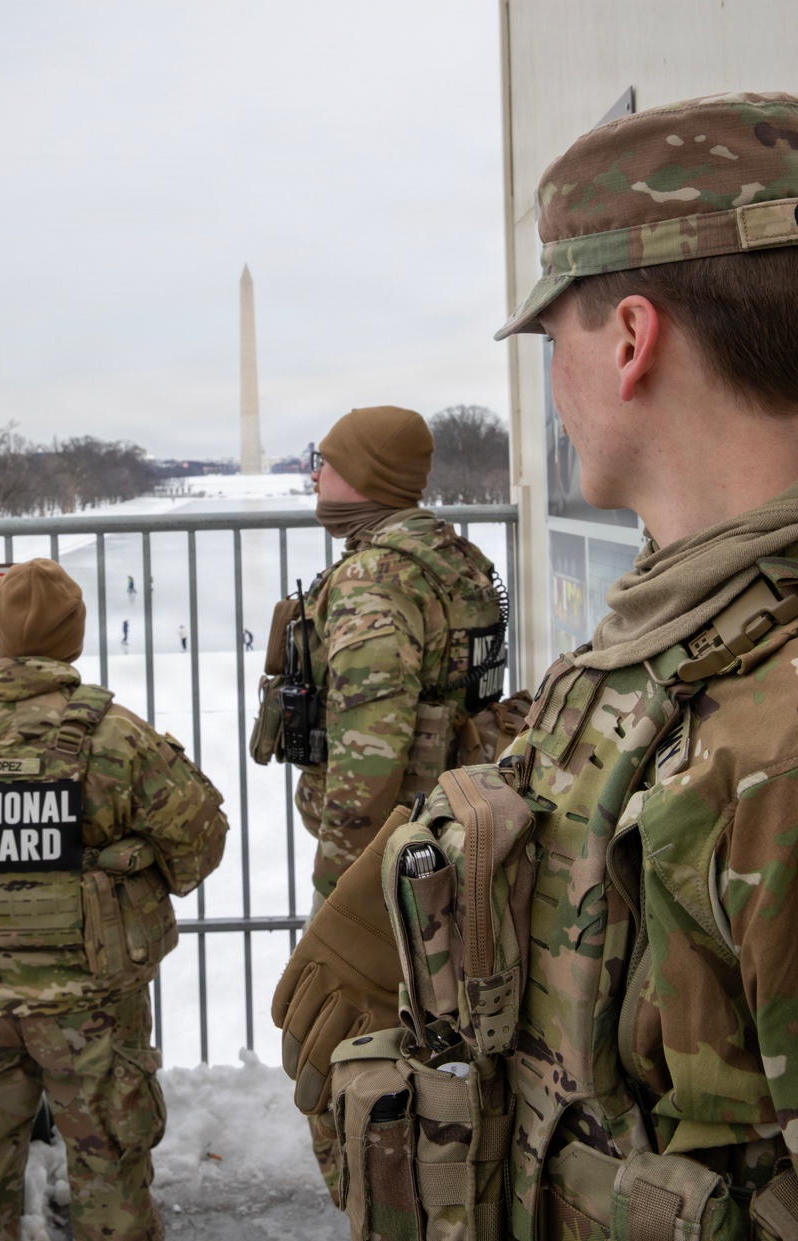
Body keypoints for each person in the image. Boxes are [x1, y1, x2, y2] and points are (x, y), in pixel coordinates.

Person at [274, 92, 798, 1240]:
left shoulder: (774, 724)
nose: (552, 383)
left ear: (627, 340)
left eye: (551, 336)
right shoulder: (678, 633)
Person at [0, 558, 229, 1241]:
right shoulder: (118, 737)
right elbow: (200, 845)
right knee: (111, 1176)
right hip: (92, 1010)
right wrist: (118, 862)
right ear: (73, 637)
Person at [268, 404, 510, 1203]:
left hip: (387, 867)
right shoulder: (456, 560)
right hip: (456, 839)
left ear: (367, 475)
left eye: (328, 462)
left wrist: (345, 899)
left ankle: (376, 1204)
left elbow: (370, 752)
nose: (315, 475)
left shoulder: (377, 577)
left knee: (352, 1048)